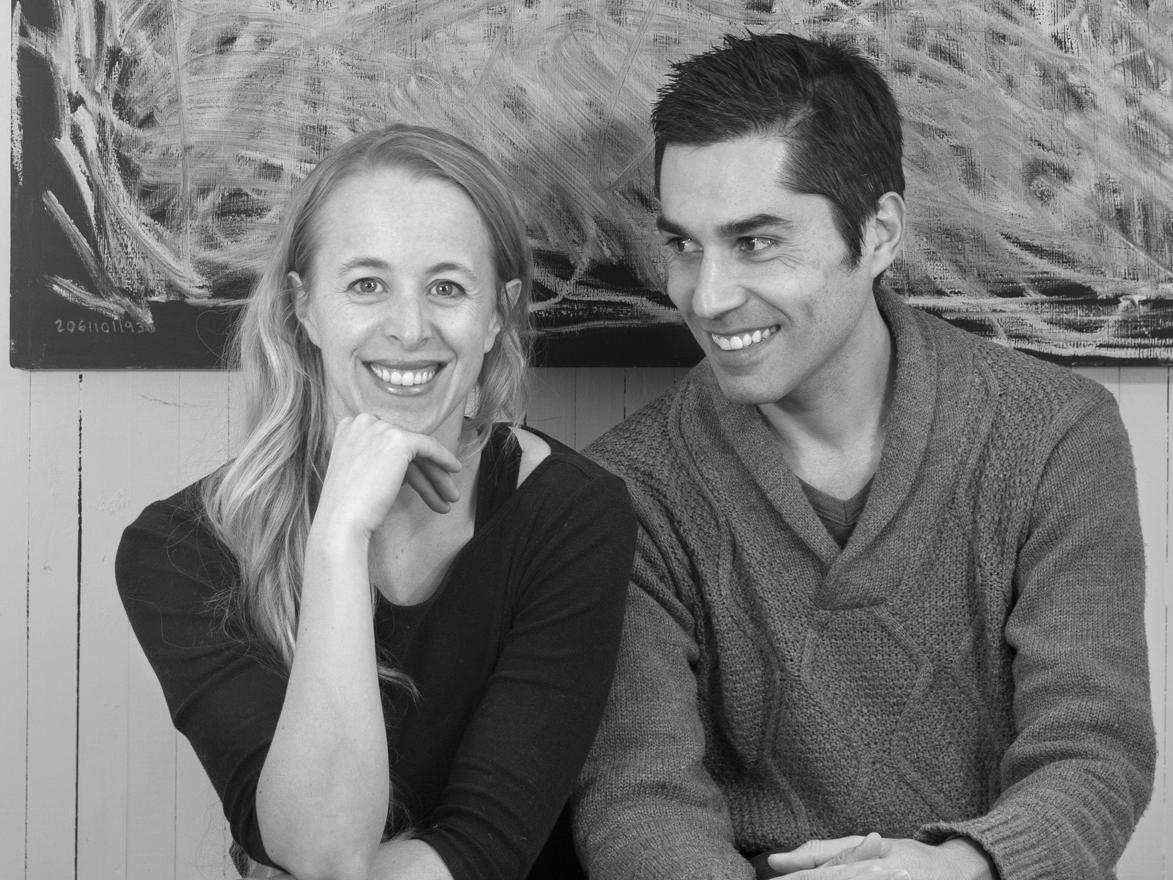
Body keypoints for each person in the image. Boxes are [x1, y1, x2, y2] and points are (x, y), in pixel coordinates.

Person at [573, 32, 1155, 880]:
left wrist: (954, 868)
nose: (706, 295)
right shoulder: (625, 489)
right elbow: (637, 800)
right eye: (684, 244)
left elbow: (1093, 752)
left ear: (877, 233)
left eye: (757, 241)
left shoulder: (1055, 435)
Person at [117, 124, 636, 880]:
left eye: (448, 288)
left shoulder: (572, 515)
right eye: (366, 284)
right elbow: (323, 847)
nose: (409, 329)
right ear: (305, 308)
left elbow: (483, 847)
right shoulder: (179, 549)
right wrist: (339, 538)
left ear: (497, 314)